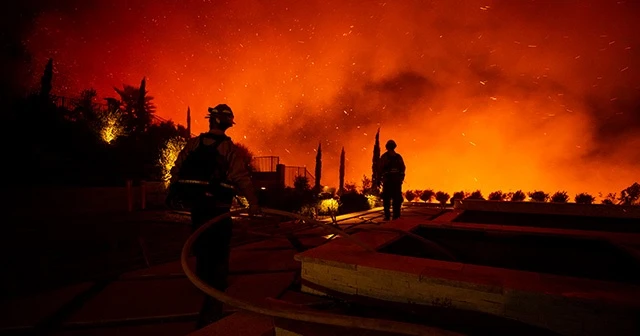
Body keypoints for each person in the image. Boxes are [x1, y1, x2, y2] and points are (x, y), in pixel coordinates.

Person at [166, 104, 260, 328]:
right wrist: (253, 203)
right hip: (218, 208)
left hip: (198, 206)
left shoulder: (194, 143)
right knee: (219, 244)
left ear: (211, 121)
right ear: (225, 123)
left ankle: (199, 280)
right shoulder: (228, 148)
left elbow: (176, 169)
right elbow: (241, 178)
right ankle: (216, 286)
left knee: (199, 240)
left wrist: (172, 192)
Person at [378, 139, 406, 221]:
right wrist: (401, 178)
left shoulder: (384, 157)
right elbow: (403, 169)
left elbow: (379, 169)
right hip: (396, 182)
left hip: (388, 182)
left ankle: (388, 216)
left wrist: (378, 180)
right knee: (396, 199)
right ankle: (396, 216)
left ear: (386, 147)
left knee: (387, 199)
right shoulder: (398, 157)